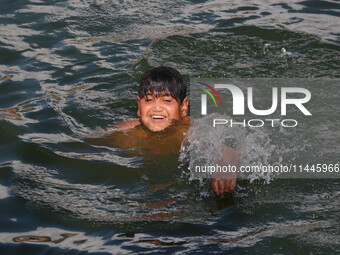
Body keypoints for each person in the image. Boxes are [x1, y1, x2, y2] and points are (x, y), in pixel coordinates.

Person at [110, 66, 239, 195]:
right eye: (149, 100)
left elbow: (227, 152)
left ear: (183, 108)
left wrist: (224, 166)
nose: (157, 108)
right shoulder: (127, 131)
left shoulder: (189, 131)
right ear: (139, 106)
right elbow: (92, 143)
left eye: (167, 100)